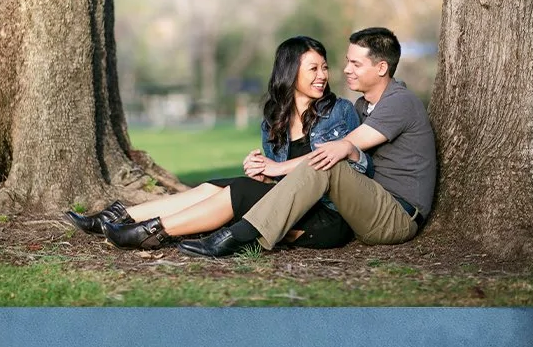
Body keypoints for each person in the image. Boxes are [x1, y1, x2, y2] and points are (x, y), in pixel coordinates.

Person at [60, 35, 362, 252]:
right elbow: (277, 179)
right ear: (290, 71)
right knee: (215, 187)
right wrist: (262, 172)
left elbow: (336, 163)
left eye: (324, 67)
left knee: (239, 190)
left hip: (327, 216)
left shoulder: (340, 112)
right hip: (286, 206)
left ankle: (153, 231)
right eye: (314, 68)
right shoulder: (274, 120)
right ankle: (121, 217)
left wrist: (276, 168)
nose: (323, 75)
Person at [177, 26, 438, 258]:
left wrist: (277, 167)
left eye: (356, 64)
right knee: (301, 171)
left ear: (381, 68)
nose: (345, 69)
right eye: (347, 62)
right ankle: (215, 230)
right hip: (367, 208)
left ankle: (237, 237)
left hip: (397, 217)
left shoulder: (400, 102)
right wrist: (264, 170)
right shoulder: (364, 106)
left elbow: (343, 146)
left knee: (330, 162)